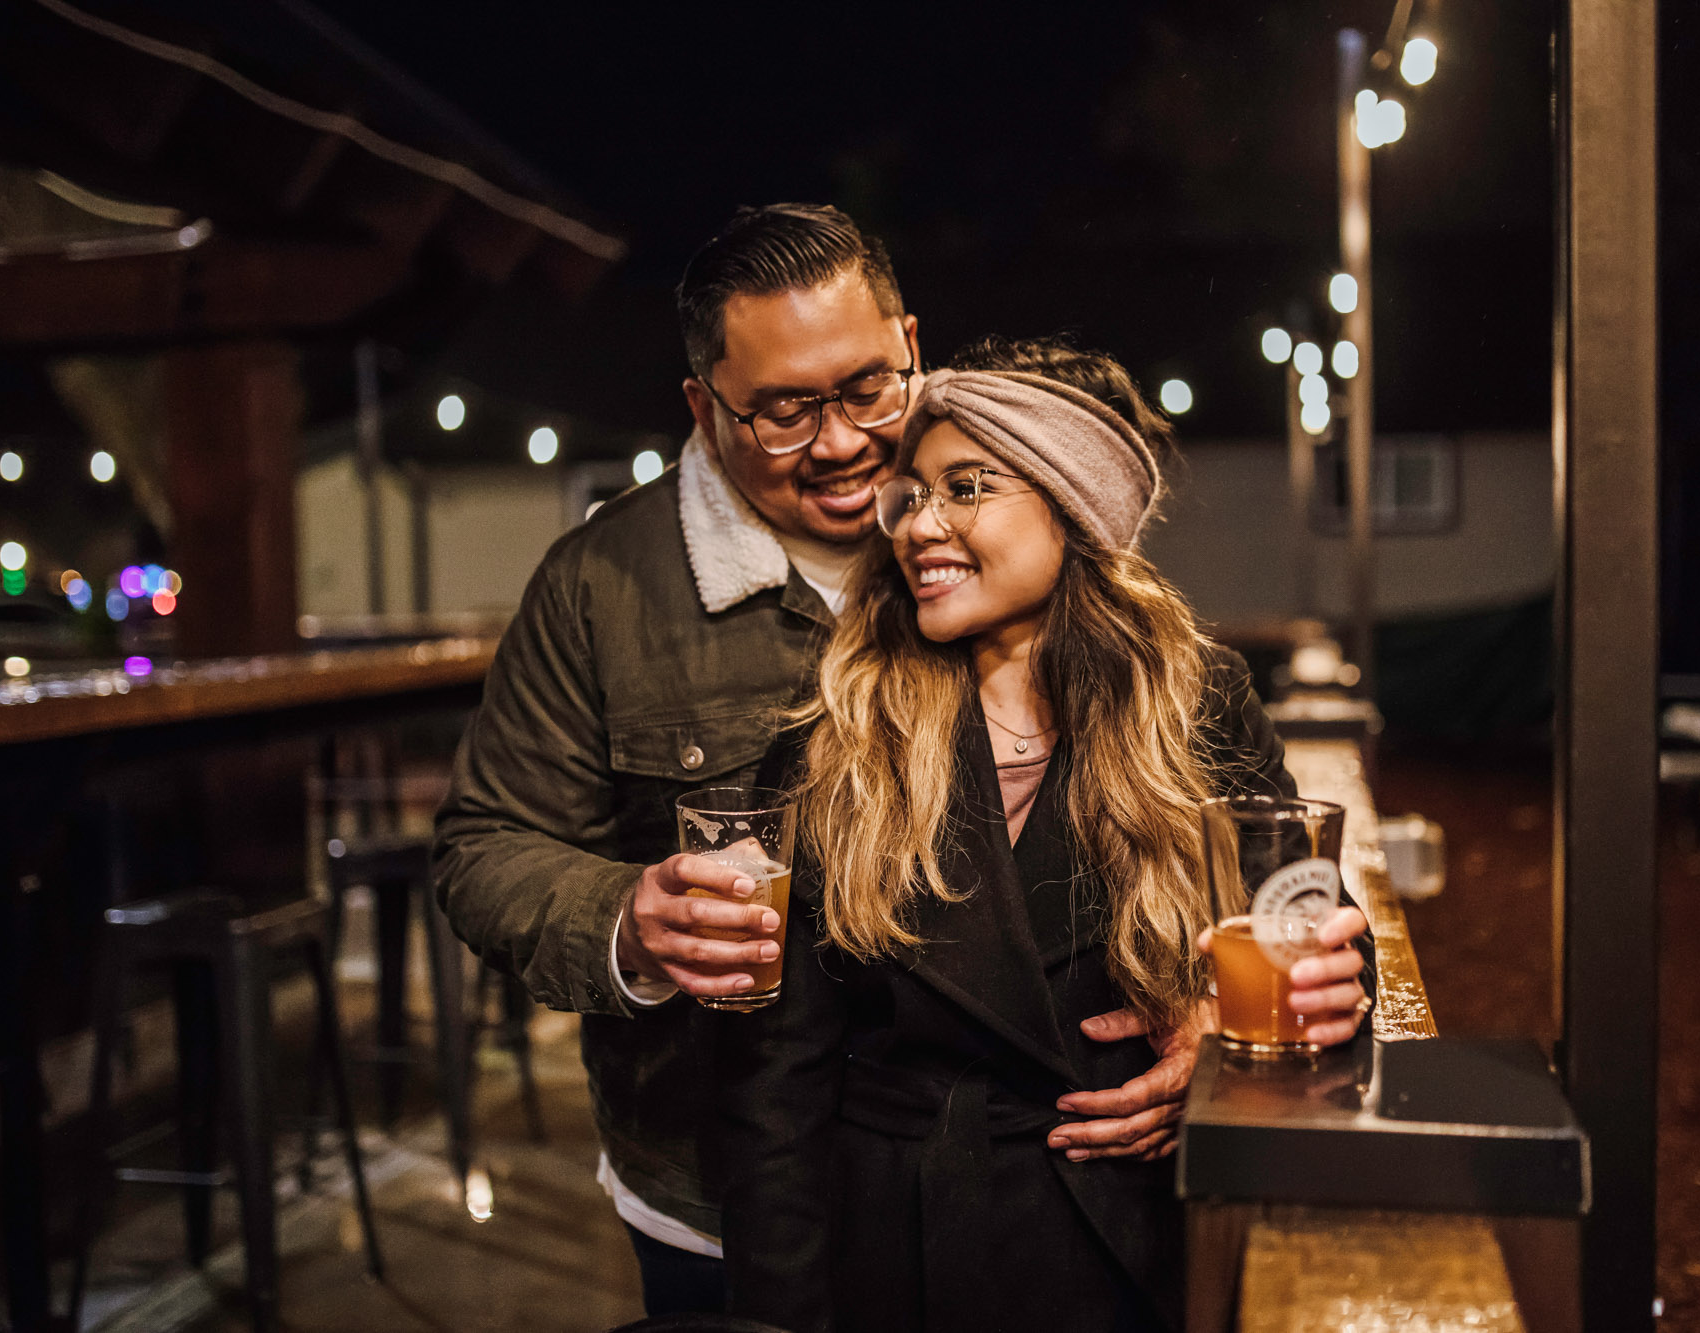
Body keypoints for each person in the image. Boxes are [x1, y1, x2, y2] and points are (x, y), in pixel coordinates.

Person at [430, 208, 1227, 1315]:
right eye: (784, 412)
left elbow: (1198, 809)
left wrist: (1221, 1014)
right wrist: (627, 916)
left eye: (866, 388)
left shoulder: (990, 510)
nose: (845, 441)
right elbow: (481, 846)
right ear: (704, 409)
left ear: (910, 340)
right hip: (709, 1182)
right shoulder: (600, 584)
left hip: (1029, 1187)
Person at [716, 344, 1374, 1333]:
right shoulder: (830, 742)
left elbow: (1306, 936)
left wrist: (1257, 1026)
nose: (918, 526)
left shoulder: (1196, 702)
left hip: (1126, 1238)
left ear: (1068, 507)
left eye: (964, 488)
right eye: (910, 496)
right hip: (893, 1257)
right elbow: (773, 1087)